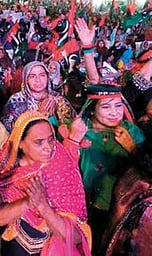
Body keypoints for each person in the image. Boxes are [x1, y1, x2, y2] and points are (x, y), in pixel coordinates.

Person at [0, 111, 91, 255]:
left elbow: (75, 237)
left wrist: (43, 207)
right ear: (20, 143)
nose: (48, 147)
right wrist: (27, 202)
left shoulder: (62, 165)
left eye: (51, 139)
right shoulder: (7, 173)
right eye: (39, 142)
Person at [68, 84, 145, 250]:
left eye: (118, 106)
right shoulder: (79, 130)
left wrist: (133, 149)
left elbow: (147, 170)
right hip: (86, 208)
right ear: (91, 108)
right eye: (105, 106)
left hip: (123, 209)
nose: (114, 112)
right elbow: (64, 171)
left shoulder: (132, 132)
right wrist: (73, 142)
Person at [1, 61, 75, 132]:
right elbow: (10, 130)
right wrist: (38, 114)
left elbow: (73, 123)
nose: (38, 80)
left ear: (47, 77)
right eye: (32, 76)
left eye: (42, 75)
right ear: (26, 80)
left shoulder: (57, 97)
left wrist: (59, 112)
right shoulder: (16, 100)